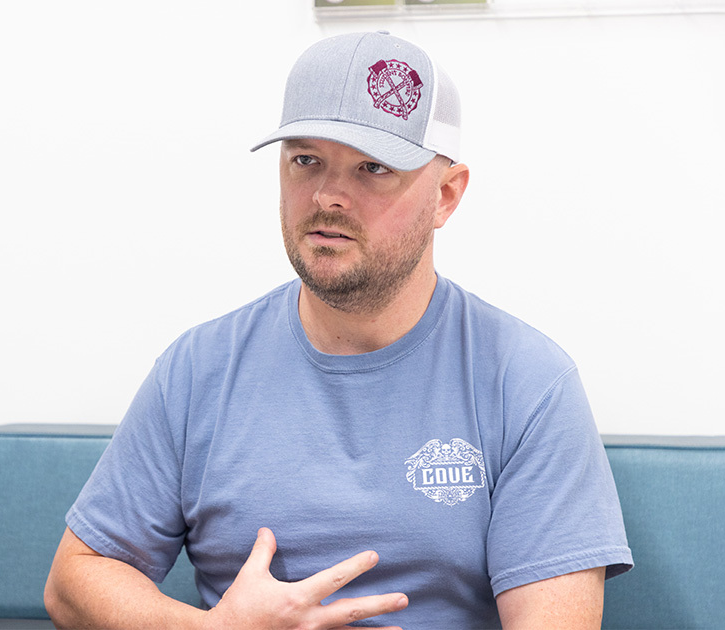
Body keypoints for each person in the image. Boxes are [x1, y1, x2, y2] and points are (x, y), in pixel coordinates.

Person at [44, 31, 632, 629]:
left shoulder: (527, 382)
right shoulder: (200, 368)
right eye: (306, 160)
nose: (328, 196)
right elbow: (75, 579)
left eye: (373, 168)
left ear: (446, 196)